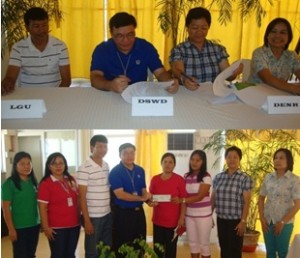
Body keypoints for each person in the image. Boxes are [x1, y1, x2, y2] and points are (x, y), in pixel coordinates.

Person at [90, 12, 179, 94]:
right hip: (109, 93)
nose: (126, 40)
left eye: (130, 35)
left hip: (138, 95)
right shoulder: (102, 50)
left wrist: (169, 82)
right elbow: (95, 77)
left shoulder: (145, 47)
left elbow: (160, 73)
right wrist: (110, 85)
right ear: (111, 33)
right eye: (119, 36)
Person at [1, 7, 71, 96]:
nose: (41, 30)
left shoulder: (60, 46)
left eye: (44, 25)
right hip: (27, 95)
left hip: (55, 94)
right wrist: (7, 82)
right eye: (36, 26)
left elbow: (66, 81)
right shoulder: (18, 48)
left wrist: (54, 96)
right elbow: (11, 76)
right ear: (27, 28)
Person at [169, 7, 242, 90]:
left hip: (213, 95)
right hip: (188, 94)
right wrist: (184, 79)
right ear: (187, 28)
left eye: (203, 28)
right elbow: (177, 71)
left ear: (208, 28)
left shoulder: (218, 49)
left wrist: (235, 71)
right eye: (195, 28)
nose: (199, 32)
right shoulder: (179, 50)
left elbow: (228, 77)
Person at [108, 143, 151, 257]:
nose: (129, 156)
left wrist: (149, 200)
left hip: (139, 213)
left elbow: (143, 190)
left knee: (140, 243)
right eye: (125, 153)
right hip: (123, 214)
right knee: (123, 245)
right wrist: (141, 198)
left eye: (132, 153)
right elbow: (120, 194)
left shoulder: (140, 170)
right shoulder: (115, 172)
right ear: (120, 155)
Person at [211, 146, 253, 258]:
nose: (232, 159)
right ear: (225, 159)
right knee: (224, 248)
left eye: (235, 157)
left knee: (235, 250)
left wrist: (243, 221)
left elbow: (247, 201)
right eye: (229, 157)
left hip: (236, 221)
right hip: (221, 219)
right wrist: (209, 216)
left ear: (239, 160)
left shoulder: (244, 178)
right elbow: (213, 198)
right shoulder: (218, 177)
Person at [258, 148, 300, 258]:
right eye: (276, 158)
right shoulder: (268, 177)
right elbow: (261, 198)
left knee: (282, 253)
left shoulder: (294, 180)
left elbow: (297, 204)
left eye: (281, 158)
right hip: (268, 221)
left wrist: (282, 222)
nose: (277, 160)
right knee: (270, 252)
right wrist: (262, 218)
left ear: (288, 161)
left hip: (284, 223)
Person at [38, 152, 80, 258]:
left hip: (74, 225)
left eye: (61, 163)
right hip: (57, 228)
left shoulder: (71, 179)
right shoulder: (45, 183)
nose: (58, 166)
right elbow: (42, 208)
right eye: (54, 163)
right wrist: (46, 227)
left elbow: (78, 199)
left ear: (65, 165)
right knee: (58, 255)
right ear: (49, 166)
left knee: (70, 254)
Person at [76, 135, 112, 258]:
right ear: (92, 148)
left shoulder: (106, 165)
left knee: (106, 248)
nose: (103, 149)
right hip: (93, 217)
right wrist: (87, 220)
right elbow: (81, 196)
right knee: (92, 251)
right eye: (99, 146)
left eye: (105, 146)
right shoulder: (84, 167)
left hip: (107, 214)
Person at [1, 151, 40, 258]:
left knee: (31, 254)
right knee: (20, 255)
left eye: (29, 163)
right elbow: (5, 209)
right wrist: (11, 229)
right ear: (15, 165)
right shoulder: (8, 184)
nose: (26, 166)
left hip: (34, 225)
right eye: (22, 164)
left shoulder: (33, 181)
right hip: (18, 227)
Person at [175, 150, 213, 258]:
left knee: (204, 244)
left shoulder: (206, 176)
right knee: (192, 244)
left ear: (203, 162)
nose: (194, 162)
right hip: (189, 215)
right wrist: (182, 216)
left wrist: (182, 200)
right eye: (192, 159)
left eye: (198, 160)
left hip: (204, 216)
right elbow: (184, 195)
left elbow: (200, 196)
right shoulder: (186, 176)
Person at [149, 152, 187, 258]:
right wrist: (151, 202)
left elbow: (184, 201)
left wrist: (181, 218)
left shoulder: (179, 180)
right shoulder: (155, 179)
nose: (167, 164)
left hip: (173, 222)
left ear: (174, 165)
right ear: (161, 164)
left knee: (171, 249)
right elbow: (150, 197)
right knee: (157, 249)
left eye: (170, 162)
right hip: (158, 220)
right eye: (165, 162)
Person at [250, 18, 300, 95]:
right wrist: (294, 88)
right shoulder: (259, 53)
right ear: (267, 35)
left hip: (279, 95)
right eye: (273, 31)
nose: (277, 36)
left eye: (282, 32)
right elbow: (268, 79)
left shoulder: (292, 55)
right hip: (255, 95)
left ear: (289, 37)